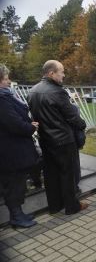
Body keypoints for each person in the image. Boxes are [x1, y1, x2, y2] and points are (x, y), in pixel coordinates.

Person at [28, 60, 88, 215]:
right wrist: (82, 125)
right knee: (68, 174)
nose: (64, 74)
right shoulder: (57, 92)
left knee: (51, 175)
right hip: (63, 141)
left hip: (45, 140)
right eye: (61, 71)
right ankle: (71, 206)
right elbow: (72, 116)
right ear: (51, 73)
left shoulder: (32, 91)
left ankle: (55, 207)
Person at [0, 63, 38, 228]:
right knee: (14, 184)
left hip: (14, 149)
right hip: (11, 151)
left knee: (18, 182)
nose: (9, 81)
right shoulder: (2, 100)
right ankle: (16, 216)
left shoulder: (5, 96)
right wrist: (31, 127)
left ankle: (19, 213)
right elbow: (13, 123)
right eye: (6, 78)